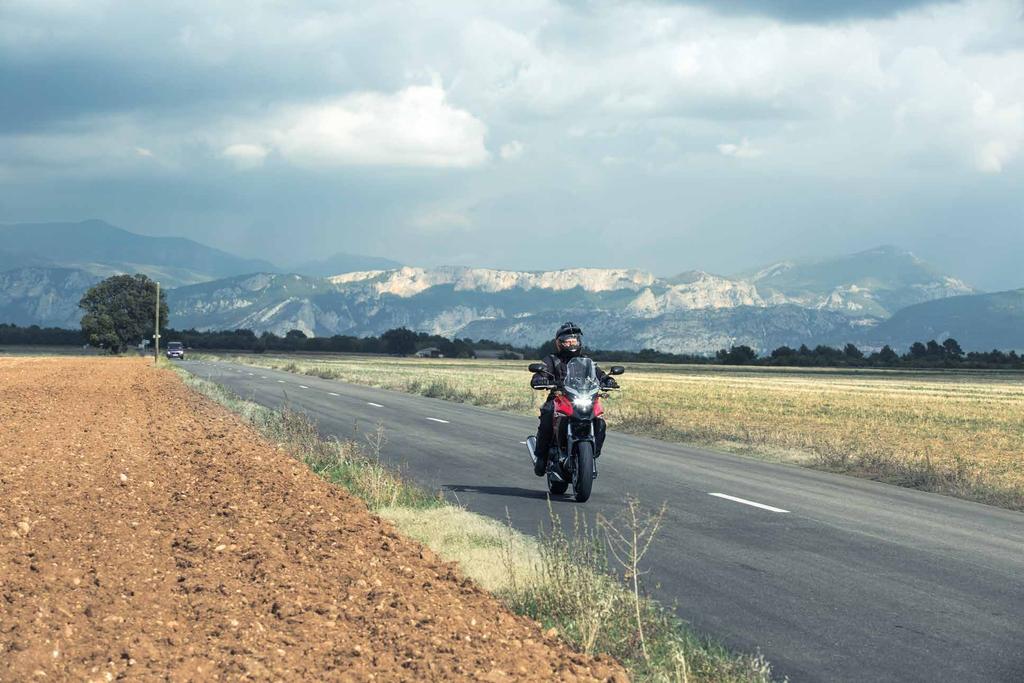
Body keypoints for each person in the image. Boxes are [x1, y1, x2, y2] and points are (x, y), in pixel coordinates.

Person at [530, 322, 618, 476]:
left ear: (579, 342)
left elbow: (599, 374)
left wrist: (607, 380)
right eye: (567, 340)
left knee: (600, 421)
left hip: (584, 397)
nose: (571, 343)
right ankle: (541, 456)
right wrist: (540, 379)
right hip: (559, 397)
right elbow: (541, 372)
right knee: (548, 414)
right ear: (559, 343)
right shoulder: (552, 359)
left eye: (574, 340)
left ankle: (591, 455)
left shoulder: (586, 361)